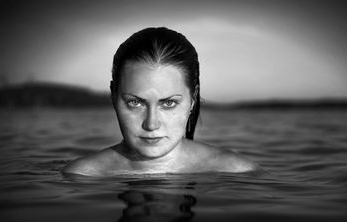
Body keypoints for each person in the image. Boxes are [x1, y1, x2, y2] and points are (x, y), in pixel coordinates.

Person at [63, 27, 260, 176]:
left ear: (192, 100)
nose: (151, 124)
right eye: (135, 103)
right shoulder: (82, 175)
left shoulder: (236, 171)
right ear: (113, 97)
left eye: (168, 103)